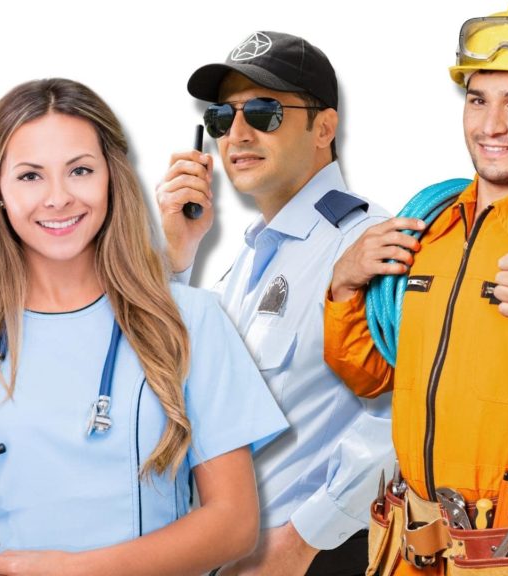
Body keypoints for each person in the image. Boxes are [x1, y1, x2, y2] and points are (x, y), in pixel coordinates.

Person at [0, 77, 288, 576]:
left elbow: (233, 524)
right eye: (30, 176)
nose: (57, 198)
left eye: (79, 170)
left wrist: (72, 570)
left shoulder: (190, 322)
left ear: (112, 179)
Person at [324, 1, 508, 573]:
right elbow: (372, 378)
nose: (490, 125)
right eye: (477, 100)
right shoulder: (430, 231)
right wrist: (345, 288)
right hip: (413, 547)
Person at [155, 31, 393, 576]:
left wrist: (302, 541)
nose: (235, 134)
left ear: (324, 128)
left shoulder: (366, 244)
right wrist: (176, 256)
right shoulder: (245, 264)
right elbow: (181, 390)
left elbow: (400, 417)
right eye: (221, 117)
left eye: (263, 112)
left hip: (323, 559)